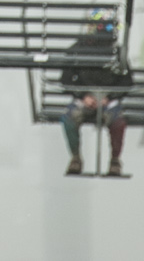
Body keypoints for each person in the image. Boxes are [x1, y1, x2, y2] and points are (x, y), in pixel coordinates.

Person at [57, 9, 131, 177]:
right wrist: (83, 96)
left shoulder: (117, 53)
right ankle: (75, 157)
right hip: (85, 98)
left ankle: (115, 160)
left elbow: (127, 82)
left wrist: (110, 97)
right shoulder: (77, 50)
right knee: (69, 119)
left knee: (118, 122)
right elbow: (66, 79)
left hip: (108, 99)